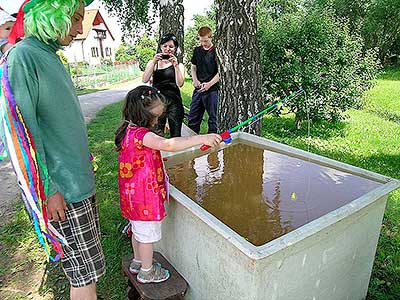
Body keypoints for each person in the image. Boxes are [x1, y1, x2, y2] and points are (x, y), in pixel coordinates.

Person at [4, 1, 104, 299]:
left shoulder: (50, 56)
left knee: (90, 267)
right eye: (74, 18)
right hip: (62, 190)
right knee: (82, 273)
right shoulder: (23, 57)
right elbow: (23, 135)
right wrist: (48, 189)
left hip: (78, 182)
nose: (80, 28)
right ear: (52, 14)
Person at [115, 85, 221, 283]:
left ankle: (138, 261)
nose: (157, 121)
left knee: (138, 231)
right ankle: (147, 271)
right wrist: (202, 138)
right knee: (147, 236)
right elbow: (168, 144)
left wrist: (152, 160)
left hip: (131, 196)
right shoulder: (143, 135)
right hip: (144, 198)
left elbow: (138, 157)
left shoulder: (127, 131)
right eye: (155, 117)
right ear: (143, 115)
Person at [142, 33, 185, 137]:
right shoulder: (153, 63)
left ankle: (176, 152)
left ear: (175, 48)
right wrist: (153, 62)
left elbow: (180, 83)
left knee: (176, 135)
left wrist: (175, 66)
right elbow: (145, 79)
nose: (167, 49)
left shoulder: (179, 65)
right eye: (165, 46)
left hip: (174, 103)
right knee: (157, 134)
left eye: (171, 46)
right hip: (157, 103)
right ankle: (158, 154)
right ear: (160, 47)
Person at [188, 26, 220, 134]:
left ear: (211, 38)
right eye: (201, 41)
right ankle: (191, 144)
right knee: (193, 118)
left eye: (205, 41)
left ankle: (212, 147)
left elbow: (221, 73)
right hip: (198, 89)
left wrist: (209, 84)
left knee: (213, 120)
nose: (203, 43)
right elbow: (193, 67)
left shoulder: (217, 51)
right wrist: (195, 79)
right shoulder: (197, 50)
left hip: (212, 90)